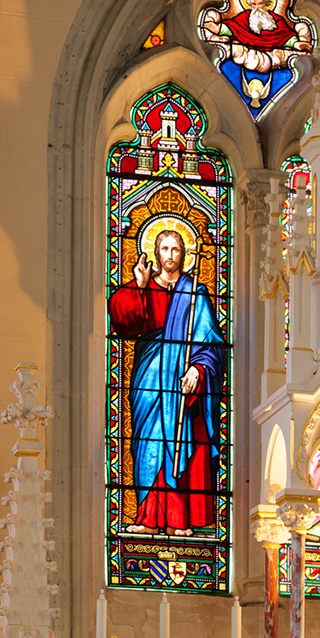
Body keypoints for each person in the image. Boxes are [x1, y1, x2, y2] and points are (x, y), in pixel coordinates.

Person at [107, 225, 225, 531]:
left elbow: (212, 343)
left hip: (181, 381)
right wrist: (139, 285)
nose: (170, 255)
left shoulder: (195, 291)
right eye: (164, 249)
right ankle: (148, 518)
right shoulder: (144, 285)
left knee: (180, 441)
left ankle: (178, 520)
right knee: (148, 442)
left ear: (183, 254)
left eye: (176, 249)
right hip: (148, 377)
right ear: (155, 253)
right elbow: (123, 322)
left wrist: (197, 370)